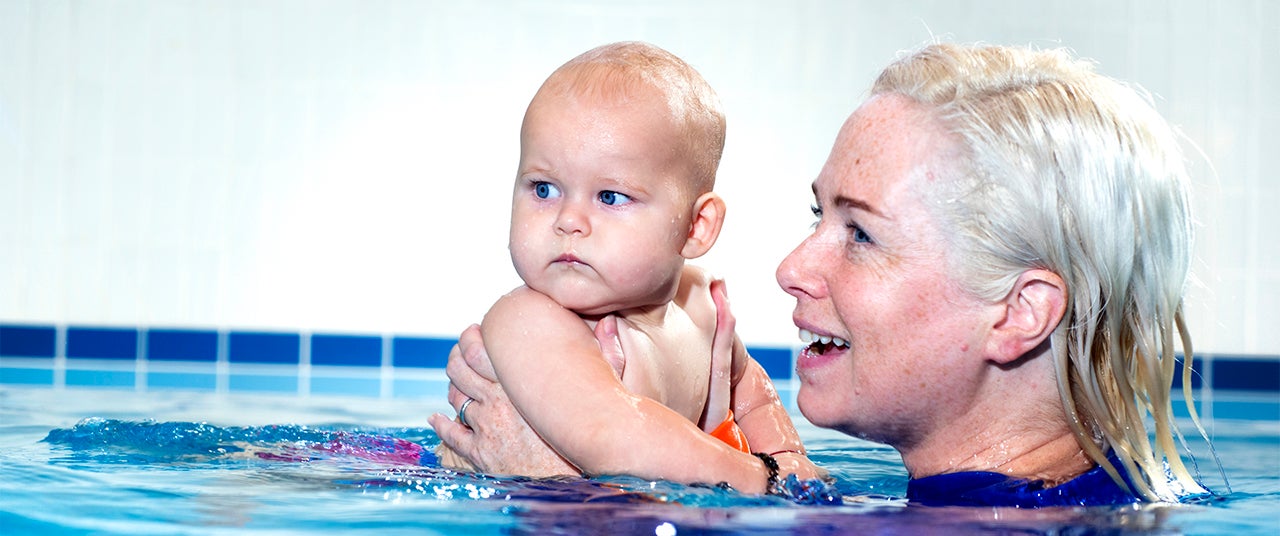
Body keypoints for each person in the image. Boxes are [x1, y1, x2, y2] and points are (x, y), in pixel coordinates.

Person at [437, 42, 1216, 507]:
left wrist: (568, 498)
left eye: (861, 234)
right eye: (819, 218)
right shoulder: (1100, 500)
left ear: (1019, 312)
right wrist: (767, 465)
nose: (789, 268)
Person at [427, 41, 824, 492]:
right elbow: (609, 434)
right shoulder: (531, 320)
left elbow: (750, 393)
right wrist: (758, 479)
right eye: (543, 189)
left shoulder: (699, 305)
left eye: (610, 197)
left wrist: (787, 460)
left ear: (696, 226)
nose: (569, 221)